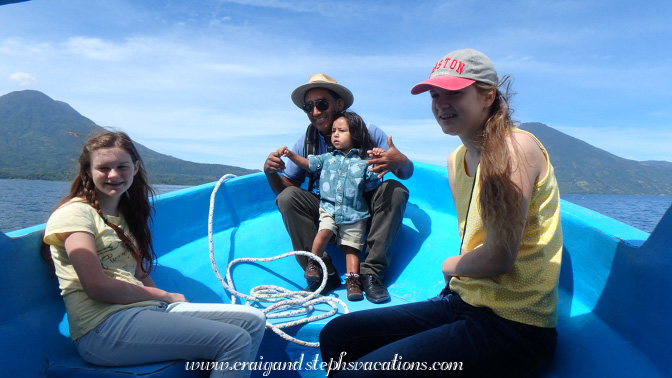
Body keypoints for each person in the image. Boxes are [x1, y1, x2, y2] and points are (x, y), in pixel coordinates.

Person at [319, 49, 562, 377]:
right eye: (435, 94)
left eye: (455, 93)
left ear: (487, 96)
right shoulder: (456, 161)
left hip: (515, 326)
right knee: (337, 335)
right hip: (463, 302)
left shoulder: (515, 148)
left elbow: (498, 257)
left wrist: (449, 267)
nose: (441, 104)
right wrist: (457, 280)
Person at [42, 131, 265, 378]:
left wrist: (162, 302)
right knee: (234, 340)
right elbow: (96, 287)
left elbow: (137, 273)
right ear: (89, 172)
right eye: (103, 168)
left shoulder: (126, 216)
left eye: (122, 167)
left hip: (144, 312)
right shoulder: (75, 214)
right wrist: (166, 295)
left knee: (253, 319)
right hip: (101, 329)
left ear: (135, 168)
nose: (113, 175)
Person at [263, 73, 414, 303]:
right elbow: (287, 188)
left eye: (321, 104)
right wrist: (270, 172)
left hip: (364, 212)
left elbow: (406, 172)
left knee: (395, 189)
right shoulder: (307, 140)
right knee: (287, 198)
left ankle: (370, 273)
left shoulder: (368, 132)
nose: (315, 112)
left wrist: (400, 161)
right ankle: (323, 273)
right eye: (308, 107)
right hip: (329, 211)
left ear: (339, 104)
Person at [278, 111, 384, 301]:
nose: (335, 134)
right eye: (334, 130)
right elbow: (307, 164)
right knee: (324, 232)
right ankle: (314, 262)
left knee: (351, 249)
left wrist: (378, 160)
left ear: (355, 135)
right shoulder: (326, 158)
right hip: (328, 209)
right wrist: (291, 155)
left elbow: (373, 182)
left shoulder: (363, 163)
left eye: (341, 131)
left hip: (355, 214)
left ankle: (353, 281)